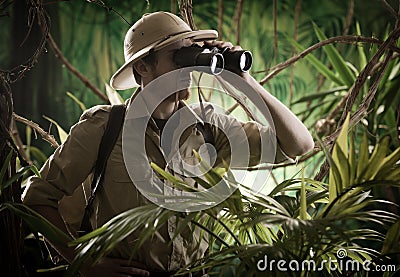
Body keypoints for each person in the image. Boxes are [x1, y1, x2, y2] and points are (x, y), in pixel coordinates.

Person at [22, 11, 314, 276]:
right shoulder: (105, 128)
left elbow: (299, 145)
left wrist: (244, 80)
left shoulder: (211, 129)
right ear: (143, 68)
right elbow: (37, 198)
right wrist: (83, 262)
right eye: (178, 56)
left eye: (192, 55)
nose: (189, 67)